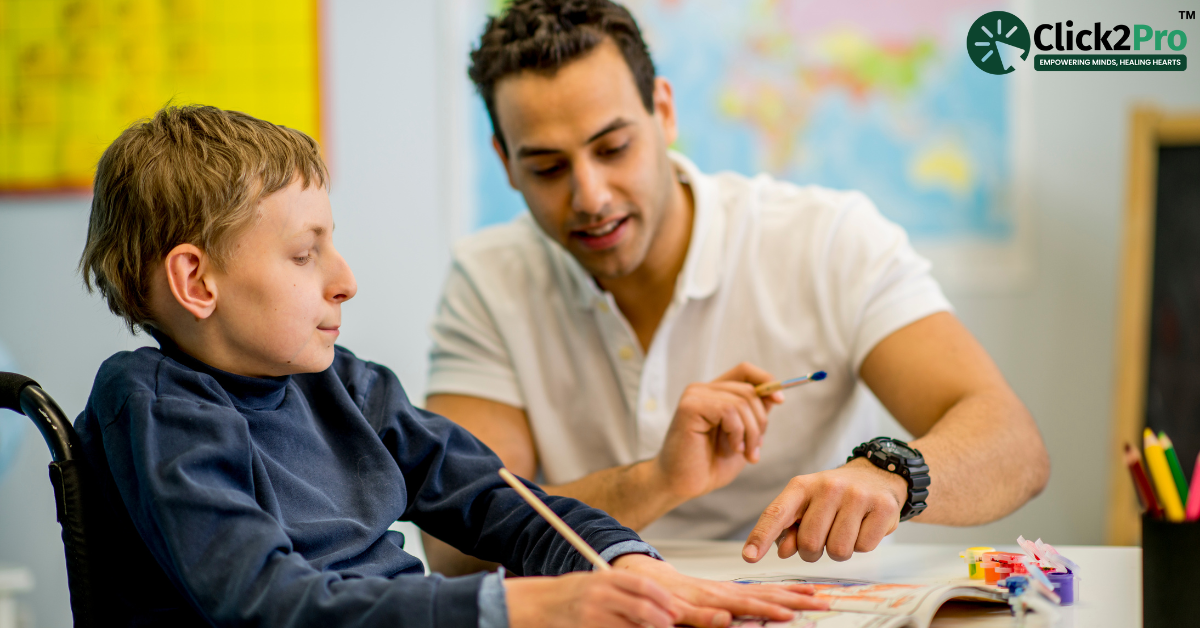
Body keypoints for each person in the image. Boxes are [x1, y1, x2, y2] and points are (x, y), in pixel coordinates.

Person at [72, 105, 824, 627]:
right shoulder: (150, 404)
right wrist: (520, 610)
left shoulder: (343, 384)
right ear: (196, 282)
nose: (345, 278)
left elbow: (500, 500)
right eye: (305, 254)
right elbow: (267, 605)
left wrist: (620, 560)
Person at [422, 0, 1050, 575]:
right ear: (505, 162)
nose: (591, 196)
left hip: (809, 600)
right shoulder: (488, 280)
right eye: (548, 168)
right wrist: (658, 479)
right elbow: (453, 545)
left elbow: (1013, 445)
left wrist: (890, 476)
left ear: (663, 112)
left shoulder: (829, 239)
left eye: (613, 148)